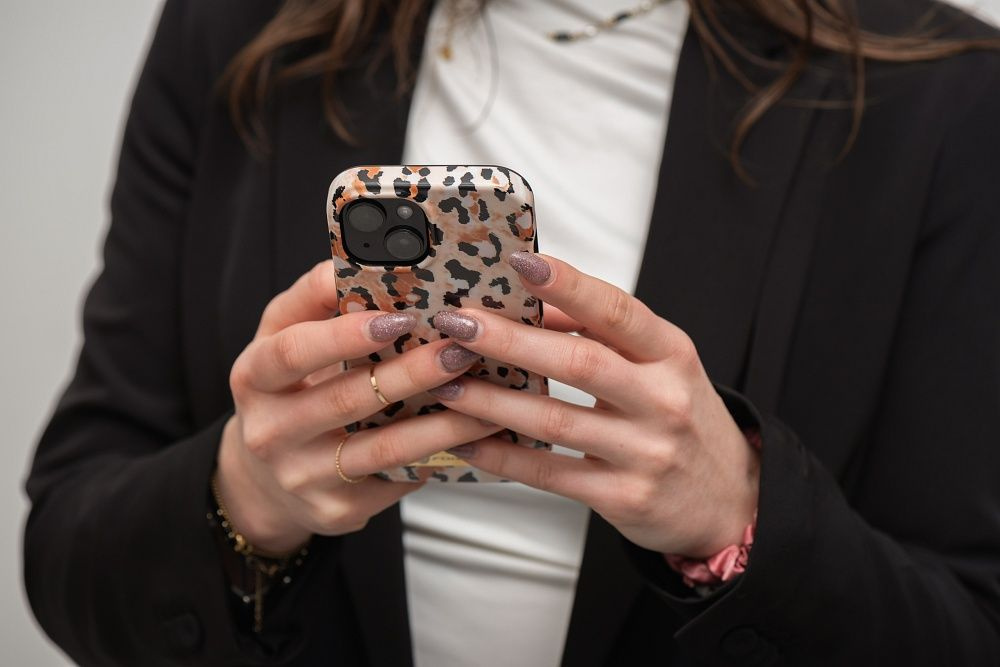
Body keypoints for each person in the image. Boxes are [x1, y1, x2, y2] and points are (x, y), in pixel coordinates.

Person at [22, 0, 1000, 664]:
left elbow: (968, 626)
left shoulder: (945, 97)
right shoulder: (237, 28)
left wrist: (736, 519)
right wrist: (244, 496)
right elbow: (66, 547)